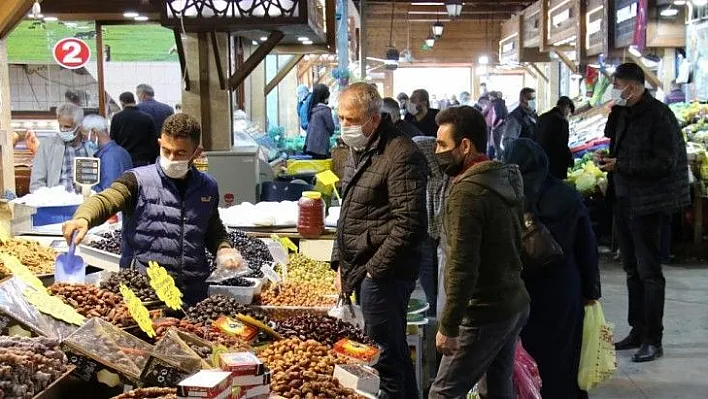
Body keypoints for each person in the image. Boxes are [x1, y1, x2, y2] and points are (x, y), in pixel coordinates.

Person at [62, 113, 244, 305]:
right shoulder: (137, 180)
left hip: (193, 294)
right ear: (159, 143)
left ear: (196, 153)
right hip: (146, 295)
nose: (171, 158)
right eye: (166, 150)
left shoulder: (207, 186)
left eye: (180, 153)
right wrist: (84, 218)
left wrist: (224, 249)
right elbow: (106, 199)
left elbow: (212, 228)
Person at [332, 82, 427, 399]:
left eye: (350, 119)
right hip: (359, 267)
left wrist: (374, 271)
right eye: (341, 118)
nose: (344, 125)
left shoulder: (401, 153)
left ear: (373, 118)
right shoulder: (359, 150)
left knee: (382, 357)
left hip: (385, 274)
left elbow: (409, 224)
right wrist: (340, 265)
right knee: (389, 354)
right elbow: (347, 210)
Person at [429, 106, 530, 399]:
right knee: (498, 387)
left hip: (483, 311)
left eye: (442, 145)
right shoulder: (503, 176)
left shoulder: (467, 192)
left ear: (465, 146)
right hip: (512, 302)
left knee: (443, 393)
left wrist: (448, 326)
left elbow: (462, 265)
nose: (437, 152)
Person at [601, 63, 690, 362]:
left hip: (650, 204)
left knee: (650, 272)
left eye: (619, 86)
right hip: (624, 200)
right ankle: (637, 330)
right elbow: (612, 138)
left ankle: (654, 338)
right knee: (631, 269)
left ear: (634, 87)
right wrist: (614, 112)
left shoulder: (660, 117)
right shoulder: (625, 111)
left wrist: (621, 166)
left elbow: (664, 163)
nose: (616, 91)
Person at [504, 138, 601, 399]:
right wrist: (591, 290)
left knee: (525, 356)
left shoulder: (503, 197)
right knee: (564, 356)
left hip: (520, 290)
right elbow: (586, 247)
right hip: (562, 288)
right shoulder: (566, 195)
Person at [411, 135, 445, 317]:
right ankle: (434, 308)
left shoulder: (432, 183)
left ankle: (432, 310)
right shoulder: (444, 179)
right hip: (432, 236)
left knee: (429, 271)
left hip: (429, 236)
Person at [30, 103, 95, 193]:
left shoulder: (90, 148)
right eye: (61, 126)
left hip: (84, 202)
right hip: (56, 202)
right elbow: (36, 183)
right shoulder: (46, 146)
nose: (63, 130)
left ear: (78, 126)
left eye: (67, 126)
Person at [81, 115, 133, 192]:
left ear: (94, 132)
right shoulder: (121, 151)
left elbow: (107, 191)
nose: (84, 140)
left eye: (84, 136)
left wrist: (87, 187)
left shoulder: (109, 157)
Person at [110, 92, 159, 167]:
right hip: (142, 160)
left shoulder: (117, 118)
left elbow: (113, 140)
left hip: (124, 160)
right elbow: (153, 142)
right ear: (134, 101)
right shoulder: (147, 118)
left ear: (122, 103)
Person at [537, 96, 575, 180]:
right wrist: (569, 159)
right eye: (569, 112)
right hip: (556, 163)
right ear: (567, 107)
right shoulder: (561, 121)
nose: (567, 115)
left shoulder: (542, 117)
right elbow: (562, 145)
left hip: (541, 160)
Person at [502, 87, 538, 156]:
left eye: (534, 99)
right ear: (522, 100)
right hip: (522, 159)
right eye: (530, 99)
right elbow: (508, 143)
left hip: (533, 157)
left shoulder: (533, 115)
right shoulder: (515, 117)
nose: (533, 102)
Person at [304, 84, 335, 159]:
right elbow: (331, 127)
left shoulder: (313, 109)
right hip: (321, 148)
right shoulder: (325, 110)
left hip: (311, 147)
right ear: (325, 96)